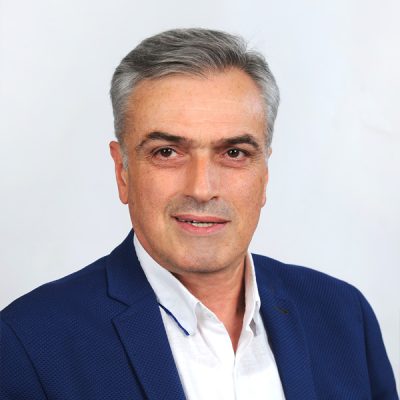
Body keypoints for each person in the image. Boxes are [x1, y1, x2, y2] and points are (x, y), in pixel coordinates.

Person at [0, 28, 397, 400]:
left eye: (234, 153)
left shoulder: (343, 316)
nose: (202, 188)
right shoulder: (28, 343)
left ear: (264, 173)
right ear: (122, 171)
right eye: (167, 152)